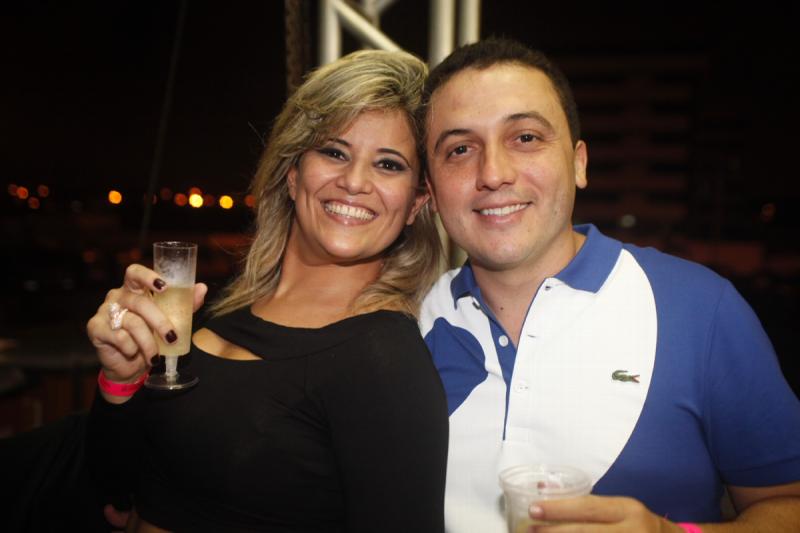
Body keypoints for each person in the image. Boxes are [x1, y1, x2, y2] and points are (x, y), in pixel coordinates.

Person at [418, 37, 800, 532]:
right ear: (431, 190)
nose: (493, 173)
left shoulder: (699, 311)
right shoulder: (406, 324)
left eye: (526, 137)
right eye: (460, 149)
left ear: (579, 163)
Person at [85, 49, 448, 532]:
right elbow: (115, 488)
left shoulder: (386, 361)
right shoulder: (212, 309)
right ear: (293, 174)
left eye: (388, 164)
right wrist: (120, 378)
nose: (354, 182)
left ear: (416, 203)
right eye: (334, 152)